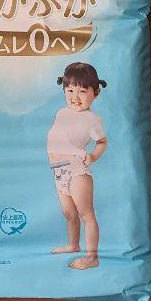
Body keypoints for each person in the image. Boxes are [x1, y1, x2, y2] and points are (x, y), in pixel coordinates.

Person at [47, 61, 108, 270]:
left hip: (76, 171)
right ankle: (73, 244)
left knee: (86, 214)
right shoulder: (61, 113)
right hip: (58, 171)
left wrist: (92, 156)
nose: (75, 96)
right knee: (69, 213)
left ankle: (92, 257)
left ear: (95, 93)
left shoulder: (92, 119)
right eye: (70, 90)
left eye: (82, 91)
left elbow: (102, 142)